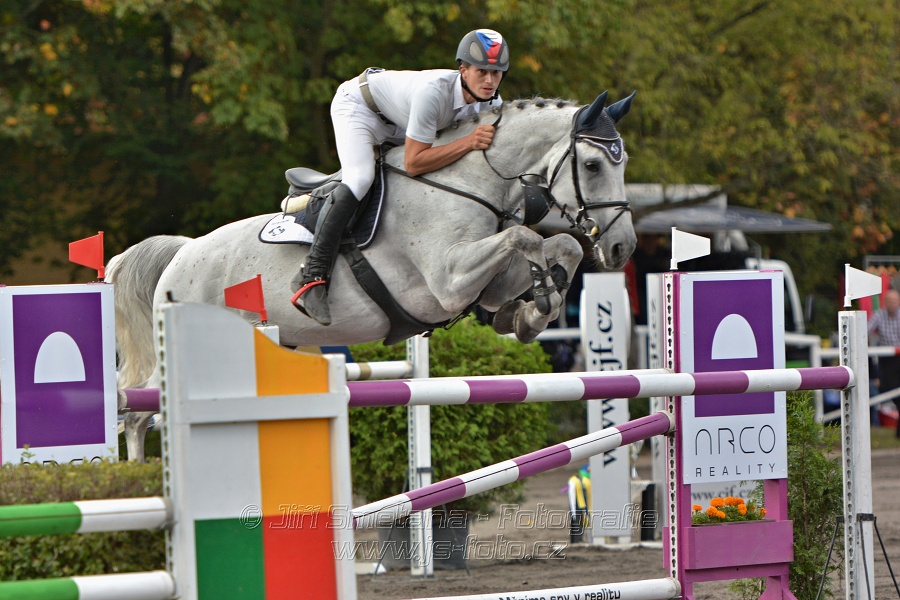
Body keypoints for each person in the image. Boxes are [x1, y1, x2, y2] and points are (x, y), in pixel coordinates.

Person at [291, 29, 511, 325]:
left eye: (496, 73)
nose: (489, 81)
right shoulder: (434, 91)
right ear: (463, 70)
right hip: (361, 109)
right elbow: (414, 162)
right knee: (360, 179)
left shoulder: (492, 104)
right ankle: (311, 276)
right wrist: (468, 142)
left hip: (399, 123)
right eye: (482, 71)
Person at [868, 288, 900, 437]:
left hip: (898, 358)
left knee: (896, 392)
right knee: (885, 390)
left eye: (895, 300)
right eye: (890, 300)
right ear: (885, 302)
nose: (892, 303)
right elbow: (865, 330)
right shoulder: (879, 315)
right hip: (886, 360)